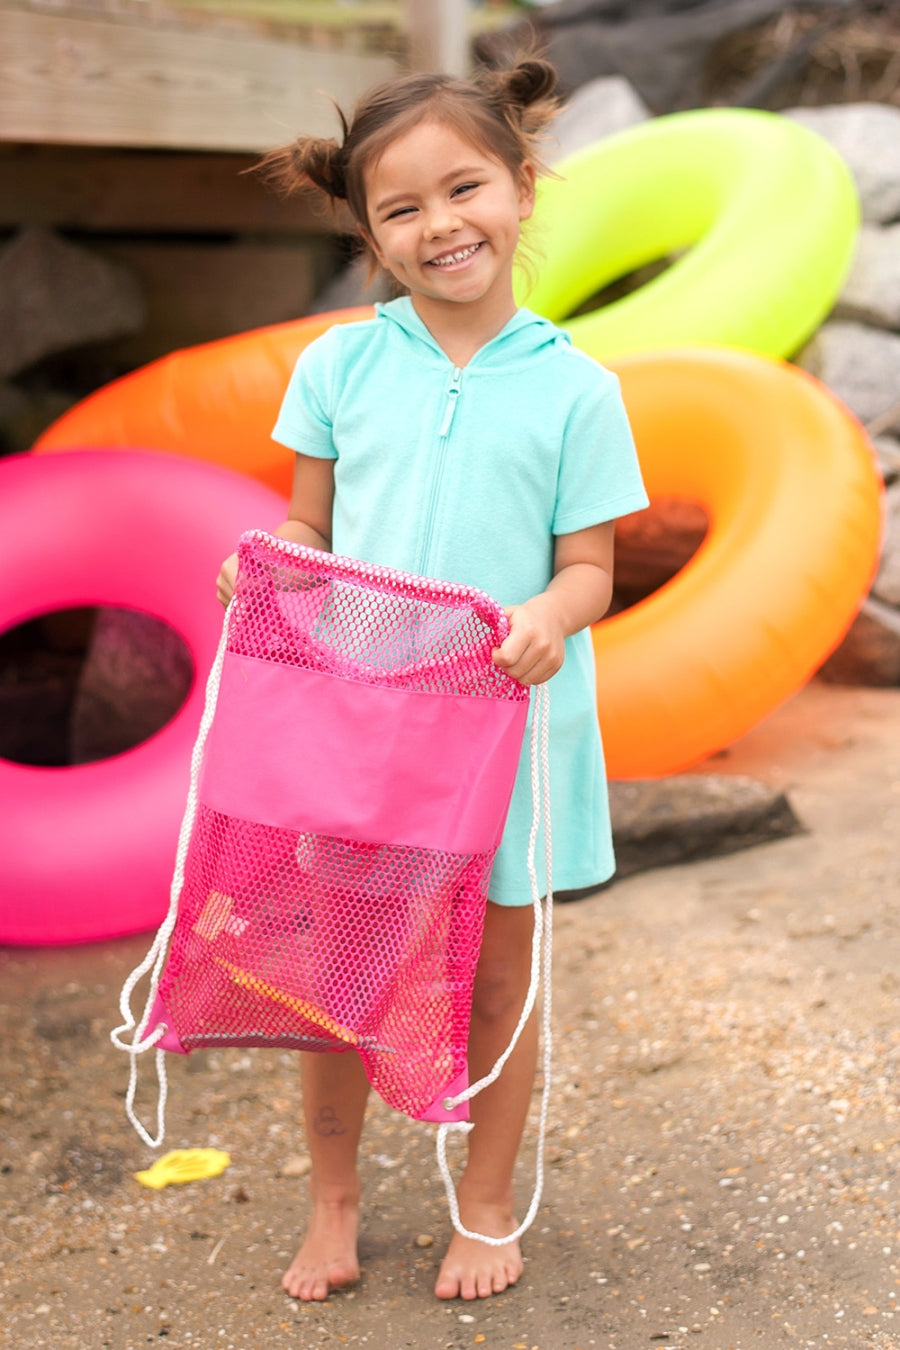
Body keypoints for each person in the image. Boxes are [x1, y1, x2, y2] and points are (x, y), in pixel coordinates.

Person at [216, 52, 648, 1304]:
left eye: (464, 189)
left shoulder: (578, 390)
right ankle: (335, 1202)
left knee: (497, 980)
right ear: (370, 233)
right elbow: (307, 528)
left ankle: (487, 1201)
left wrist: (548, 618)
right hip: (362, 728)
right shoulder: (338, 368)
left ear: (521, 188)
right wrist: (265, 569)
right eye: (401, 209)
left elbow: (590, 570)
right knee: (339, 973)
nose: (440, 225)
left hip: (507, 732)